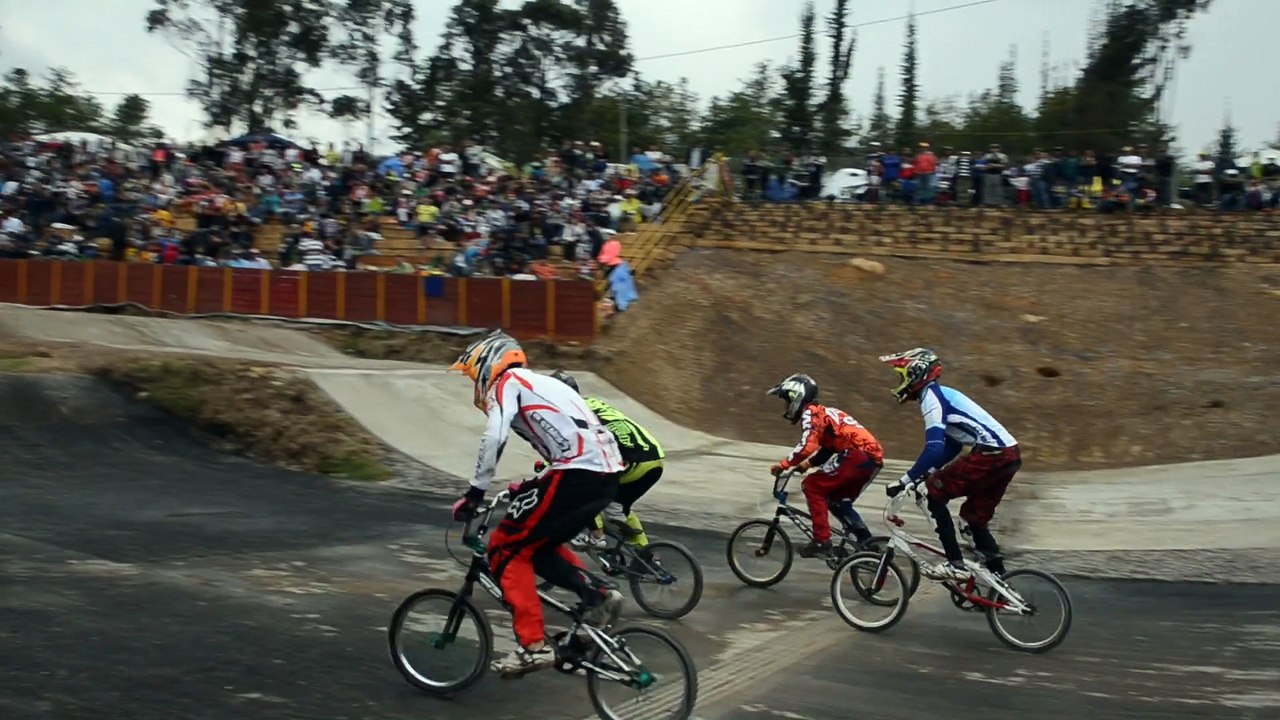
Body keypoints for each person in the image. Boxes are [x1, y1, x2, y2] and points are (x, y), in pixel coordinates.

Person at [448, 331, 626, 676]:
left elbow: (494, 435)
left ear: (489, 364)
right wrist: (532, 487)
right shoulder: (544, 384)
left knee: (505, 547)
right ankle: (598, 594)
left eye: (475, 375)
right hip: (605, 476)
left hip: (577, 473)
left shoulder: (507, 383)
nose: (477, 386)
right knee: (538, 544)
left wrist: (474, 494)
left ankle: (533, 646)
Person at [879, 348, 1019, 580]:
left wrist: (906, 480)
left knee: (928, 494)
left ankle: (956, 565)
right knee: (972, 519)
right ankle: (1001, 583)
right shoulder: (944, 394)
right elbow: (952, 445)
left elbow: (934, 448)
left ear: (915, 373)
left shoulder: (931, 398)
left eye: (901, 375)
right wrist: (928, 472)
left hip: (991, 455)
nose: (899, 381)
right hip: (1008, 456)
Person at [765, 373, 885, 558]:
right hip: (870, 461)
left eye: (787, 402)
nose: (787, 407)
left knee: (812, 486)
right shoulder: (824, 413)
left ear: (796, 397)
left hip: (856, 455)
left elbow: (807, 446)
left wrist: (785, 464)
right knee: (838, 502)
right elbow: (828, 448)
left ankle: (822, 540)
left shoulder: (810, 414)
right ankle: (869, 548)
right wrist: (808, 464)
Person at [548, 370, 665, 561]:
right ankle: (645, 556)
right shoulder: (593, 403)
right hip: (654, 459)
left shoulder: (572, 413)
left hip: (632, 460)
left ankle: (597, 537)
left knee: (586, 489)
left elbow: (573, 448)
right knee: (620, 507)